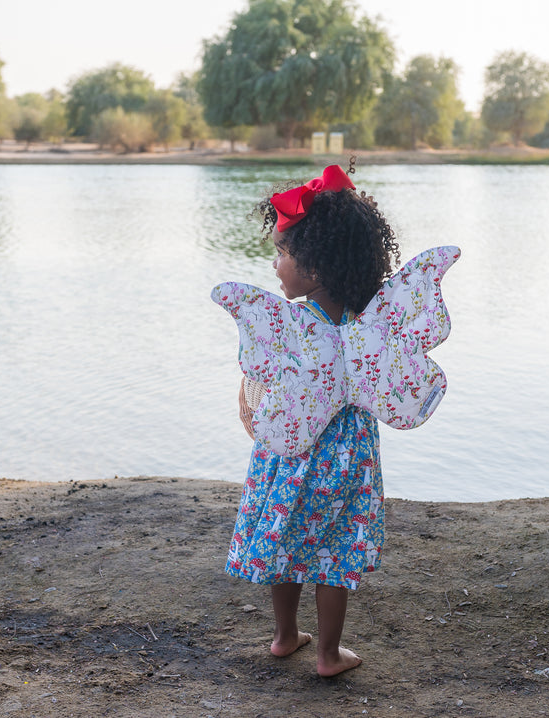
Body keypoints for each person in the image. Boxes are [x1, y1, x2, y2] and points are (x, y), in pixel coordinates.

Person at [225, 163, 401, 677]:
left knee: (287, 536)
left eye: (283, 253)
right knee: (335, 550)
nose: (275, 263)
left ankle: (284, 636)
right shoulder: (367, 326)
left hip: (290, 448)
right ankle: (327, 654)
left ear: (316, 268)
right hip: (346, 455)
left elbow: (259, 381)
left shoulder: (291, 326)